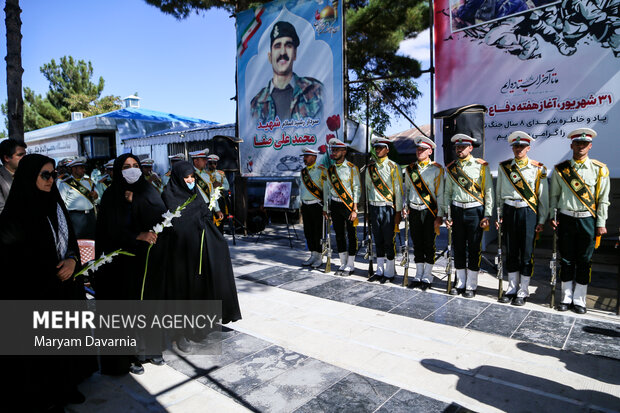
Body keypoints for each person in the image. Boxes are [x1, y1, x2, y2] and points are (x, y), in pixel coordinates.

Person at [0, 154, 96, 412]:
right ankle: (48, 395)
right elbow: (13, 259)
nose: (51, 179)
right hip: (37, 291)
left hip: (66, 286)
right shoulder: (15, 213)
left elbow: (71, 239)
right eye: (45, 174)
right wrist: (54, 270)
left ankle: (68, 385)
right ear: (29, 176)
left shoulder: (55, 203)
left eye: (54, 174)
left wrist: (74, 261)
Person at [95, 153, 168, 375]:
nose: (133, 169)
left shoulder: (148, 190)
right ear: (118, 170)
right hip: (123, 261)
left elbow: (161, 216)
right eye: (126, 166)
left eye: (136, 165)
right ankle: (130, 356)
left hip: (149, 259)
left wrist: (136, 203)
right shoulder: (111, 195)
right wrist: (137, 235)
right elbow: (109, 230)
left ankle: (150, 351)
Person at [161, 161, 241, 352]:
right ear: (178, 178)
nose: (189, 180)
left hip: (199, 251)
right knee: (183, 293)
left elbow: (204, 216)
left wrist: (216, 240)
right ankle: (180, 334)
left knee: (201, 288)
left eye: (192, 177)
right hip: (180, 255)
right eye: (186, 177)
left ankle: (204, 325)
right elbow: (169, 224)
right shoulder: (168, 196)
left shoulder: (195, 194)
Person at [549, 128, 610, 314]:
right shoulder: (561, 170)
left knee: (584, 261)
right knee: (566, 260)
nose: (581, 146)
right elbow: (554, 197)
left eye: (584, 144)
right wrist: (553, 216)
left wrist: (601, 223)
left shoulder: (600, 169)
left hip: (587, 221)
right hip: (566, 219)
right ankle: (566, 298)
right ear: (571, 145)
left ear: (590, 146)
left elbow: (603, 199)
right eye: (577, 143)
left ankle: (580, 300)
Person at [496, 131, 549, 306]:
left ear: (528, 148)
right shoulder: (505, 167)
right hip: (510, 211)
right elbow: (499, 193)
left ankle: (523, 290)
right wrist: (499, 214)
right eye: (515, 146)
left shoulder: (537, 168)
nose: (518, 149)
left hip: (528, 212)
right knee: (510, 251)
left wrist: (541, 220)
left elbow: (543, 197)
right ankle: (511, 288)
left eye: (521, 146)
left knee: (526, 254)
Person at [444, 134, 494, 298]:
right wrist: (447, 213)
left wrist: (487, 214)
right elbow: (447, 193)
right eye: (457, 147)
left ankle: (471, 285)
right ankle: (460, 283)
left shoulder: (481, 166)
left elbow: (488, 191)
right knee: (458, 247)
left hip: (475, 211)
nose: (459, 149)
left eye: (463, 147)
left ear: (470, 148)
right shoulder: (451, 168)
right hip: (457, 211)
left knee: (474, 248)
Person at [250, 21, 324, 121]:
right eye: (277, 46)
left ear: (295, 53)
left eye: (288, 45)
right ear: (270, 56)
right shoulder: (257, 103)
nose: (283, 52)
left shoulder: (315, 90)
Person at [403, 136, 444, 290]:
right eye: (418, 149)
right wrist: (406, 206)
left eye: (423, 149)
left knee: (429, 243)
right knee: (417, 243)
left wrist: (440, 215)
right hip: (414, 210)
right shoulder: (410, 169)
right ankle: (418, 274)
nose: (419, 151)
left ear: (430, 151)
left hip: (429, 211)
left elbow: (440, 193)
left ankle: (427, 276)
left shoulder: (437, 169)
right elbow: (407, 189)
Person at [365, 137, 403, 284]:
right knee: (378, 240)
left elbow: (398, 191)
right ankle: (379, 270)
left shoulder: (394, 166)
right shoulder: (370, 168)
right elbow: (368, 189)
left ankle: (389, 271)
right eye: (376, 148)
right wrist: (368, 211)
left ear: (387, 150)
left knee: (388, 240)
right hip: (374, 208)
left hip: (388, 208)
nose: (378, 150)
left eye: (381, 148)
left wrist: (398, 212)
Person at [323, 138, 361, 276]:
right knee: (339, 234)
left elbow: (357, 188)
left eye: (336, 150)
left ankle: (351, 264)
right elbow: (327, 189)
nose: (334, 152)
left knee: (351, 234)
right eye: (332, 150)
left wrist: (355, 208)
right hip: (335, 204)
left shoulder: (352, 168)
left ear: (344, 152)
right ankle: (342, 263)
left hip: (348, 204)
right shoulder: (330, 169)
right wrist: (326, 207)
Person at [299, 147, 327, 268]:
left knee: (318, 232)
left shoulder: (322, 171)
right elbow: (302, 189)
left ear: (314, 157)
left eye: (307, 156)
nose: (304, 159)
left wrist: (326, 207)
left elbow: (326, 190)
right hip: (305, 205)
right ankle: (312, 255)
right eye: (304, 157)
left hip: (317, 205)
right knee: (308, 232)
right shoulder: (303, 172)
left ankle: (319, 257)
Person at [58, 157, 98, 239]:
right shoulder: (65, 183)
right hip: (75, 217)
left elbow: (97, 198)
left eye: (84, 168)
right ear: (74, 169)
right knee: (78, 240)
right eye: (81, 168)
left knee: (92, 239)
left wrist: (95, 195)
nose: (84, 170)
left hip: (90, 216)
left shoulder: (89, 181)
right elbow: (62, 204)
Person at [190, 149, 224, 222]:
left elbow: (212, 194)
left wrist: (217, 209)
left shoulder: (207, 175)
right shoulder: (189, 175)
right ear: (195, 161)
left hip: (208, 208)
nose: (206, 162)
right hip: (195, 209)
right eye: (203, 160)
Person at [0, 138, 27, 213]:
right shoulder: (1, 179)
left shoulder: (28, 175)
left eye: (25, 154)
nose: (25, 158)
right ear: (6, 158)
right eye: (20, 155)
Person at [206, 154, 230, 233]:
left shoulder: (221, 173)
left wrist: (220, 185)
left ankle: (220, 236)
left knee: (220, 220)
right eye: (210, 163)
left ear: (217, 164)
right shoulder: (204, 174)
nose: (212, 165)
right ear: (207, 163)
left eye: (214, 163)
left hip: (219, 199)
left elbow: (227, 187)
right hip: (208, 199)